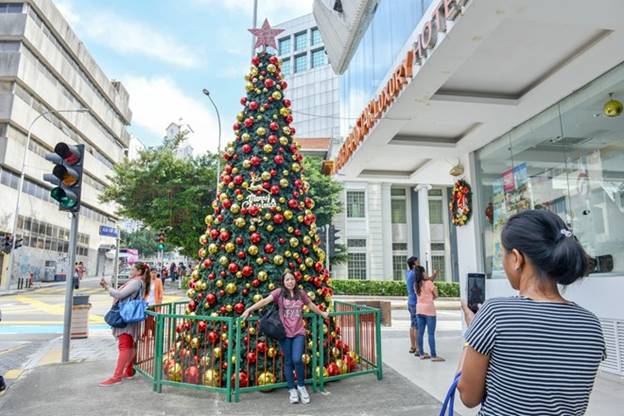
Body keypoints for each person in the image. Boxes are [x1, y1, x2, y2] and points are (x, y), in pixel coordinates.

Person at [457, 210, 605, 415]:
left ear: (516, 258)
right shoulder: (591, 325)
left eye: (503, 254)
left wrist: (472, 334)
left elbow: (468, 396)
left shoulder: (495, 314)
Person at [241, 270, 329, 405]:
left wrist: (322, 313)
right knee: (288, 362)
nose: (290, 282)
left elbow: (310, 305)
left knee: (297, 359)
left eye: (292, 279)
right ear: (283, 282)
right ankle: (292, 389)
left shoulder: (301, 294)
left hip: (298, 332)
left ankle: (301, 386)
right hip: (284, 333)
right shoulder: (279, 293)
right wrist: (249, 309)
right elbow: (264, 301)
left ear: (296, 280)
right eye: (287, 280)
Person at [98, 262, 151, 387]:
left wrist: (107, 287)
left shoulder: (136, 282)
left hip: (126, 317)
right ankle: (128, 371)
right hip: (131, 317)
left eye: (132, 269)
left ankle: (117, 376)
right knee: (130, 345)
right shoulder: (140, 282)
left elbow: (119, 295)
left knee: (124, 345)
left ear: (139, 272)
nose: (130, 271)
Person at [415, 266, 443, 361]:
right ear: (422, 273)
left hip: (419, 310)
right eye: (425, 272)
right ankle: (433, 356)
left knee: (420, 333)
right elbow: (436, 295)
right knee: (431, 334)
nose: (426, 273)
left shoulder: (416, 284)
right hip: (429, 310)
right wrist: (432, 296)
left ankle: (421, 354)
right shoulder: (429, 283)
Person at [405, 256, 420, 355]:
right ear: (414, 264)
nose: (419, 262)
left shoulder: (409, 273)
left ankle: (412, 346)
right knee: (417, 326)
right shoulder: (415, 273)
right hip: (415, 302)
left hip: (410, 301)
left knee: (412, 324)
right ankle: (418, 349)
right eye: (417, 261)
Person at [143, 269, 164, 338]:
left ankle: (148, 333)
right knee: (146, 319)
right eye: (152, 273)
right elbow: (144, 291)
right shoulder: (147, 281)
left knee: (150, 319)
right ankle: (150, 333)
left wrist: (160, 302)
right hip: (146, 302)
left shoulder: (159, 281)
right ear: (150, 273)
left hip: (154, 303)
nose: (154, 274)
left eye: (155, 273)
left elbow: (161, 292)